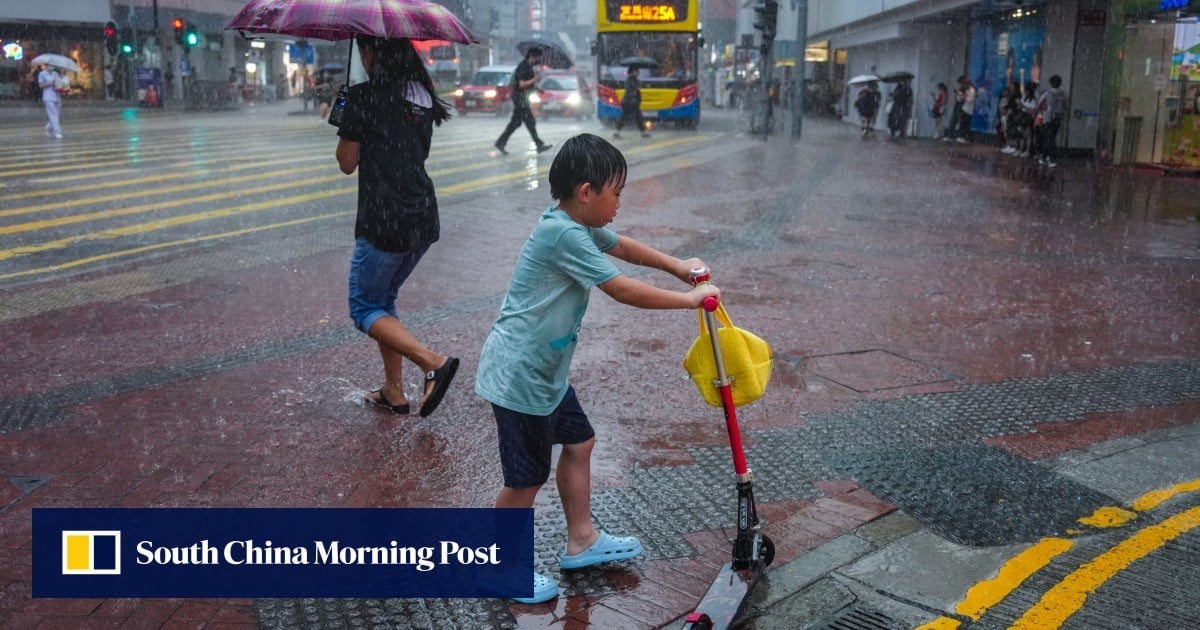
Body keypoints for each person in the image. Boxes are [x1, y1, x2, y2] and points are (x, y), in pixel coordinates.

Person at [475, 133, 721, 604]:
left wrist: (678, 267)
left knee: (580, 441)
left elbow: (623, 247)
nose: (620, 202)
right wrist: (688, 300)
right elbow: (622, 288)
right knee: (524, 481)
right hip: (520, 377)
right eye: (617, 192)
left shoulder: (578, 225)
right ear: (586, 192)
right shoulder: (562, 233)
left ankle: (582, 539)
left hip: (544, 375)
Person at [335, 36, 460, 418]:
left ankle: (431, 362)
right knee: (384, 302)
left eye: (364, 51)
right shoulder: (420, 95)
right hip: (421, 215)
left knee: (364, 308)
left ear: (373, 53)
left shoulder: (363, 98)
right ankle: (393, 390)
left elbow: (346, 162)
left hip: (383, 221)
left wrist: (344, 109)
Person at [494, 46, 550, 155]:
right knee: (529, 122)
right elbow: (522, 84)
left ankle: (501, 142)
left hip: (522, 98)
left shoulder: (528, 67)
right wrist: (535, 79)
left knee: (516, 123)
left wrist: (538, 89)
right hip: (520, 99)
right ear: (532, 56)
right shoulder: (523, 66)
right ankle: (539, 144)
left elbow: (528, 84)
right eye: (537, 57)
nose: (538, 60)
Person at [1036, 75, 1067, 168]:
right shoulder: (1062, 94)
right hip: (1057, 118)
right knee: (1051, 138)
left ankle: (1046, 157)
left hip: (1048, 118)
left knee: (1048, 138)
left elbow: (1039, 102)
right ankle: (1046, 157)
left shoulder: (1048, 93)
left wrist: (1043, 109)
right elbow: (1065, 106)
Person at [612, 66, 649, 139]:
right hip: (628, 102)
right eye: (637, 71)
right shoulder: (629, 80)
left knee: (638, 117)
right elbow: (630, 91)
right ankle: (616, 132)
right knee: (625, 117)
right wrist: (636, 90)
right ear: (633, 72)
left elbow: (637, 90)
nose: (639, 72)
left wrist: (638, 88)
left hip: (634, 102)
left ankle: (643, 132)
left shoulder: (635, 80)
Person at [37, 64, 63, 139]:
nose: (51, 67)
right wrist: (49, 83)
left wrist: (60, 81)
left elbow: (59, 84)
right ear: (46, 66)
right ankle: (57, 132)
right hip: (48, 97)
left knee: (57, 114)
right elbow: (41, 85)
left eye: (52, 65)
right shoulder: (42, 74)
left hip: (57, 96)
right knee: (53, 115)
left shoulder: (55, 74)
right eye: (49, 65)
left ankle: (48, 127)